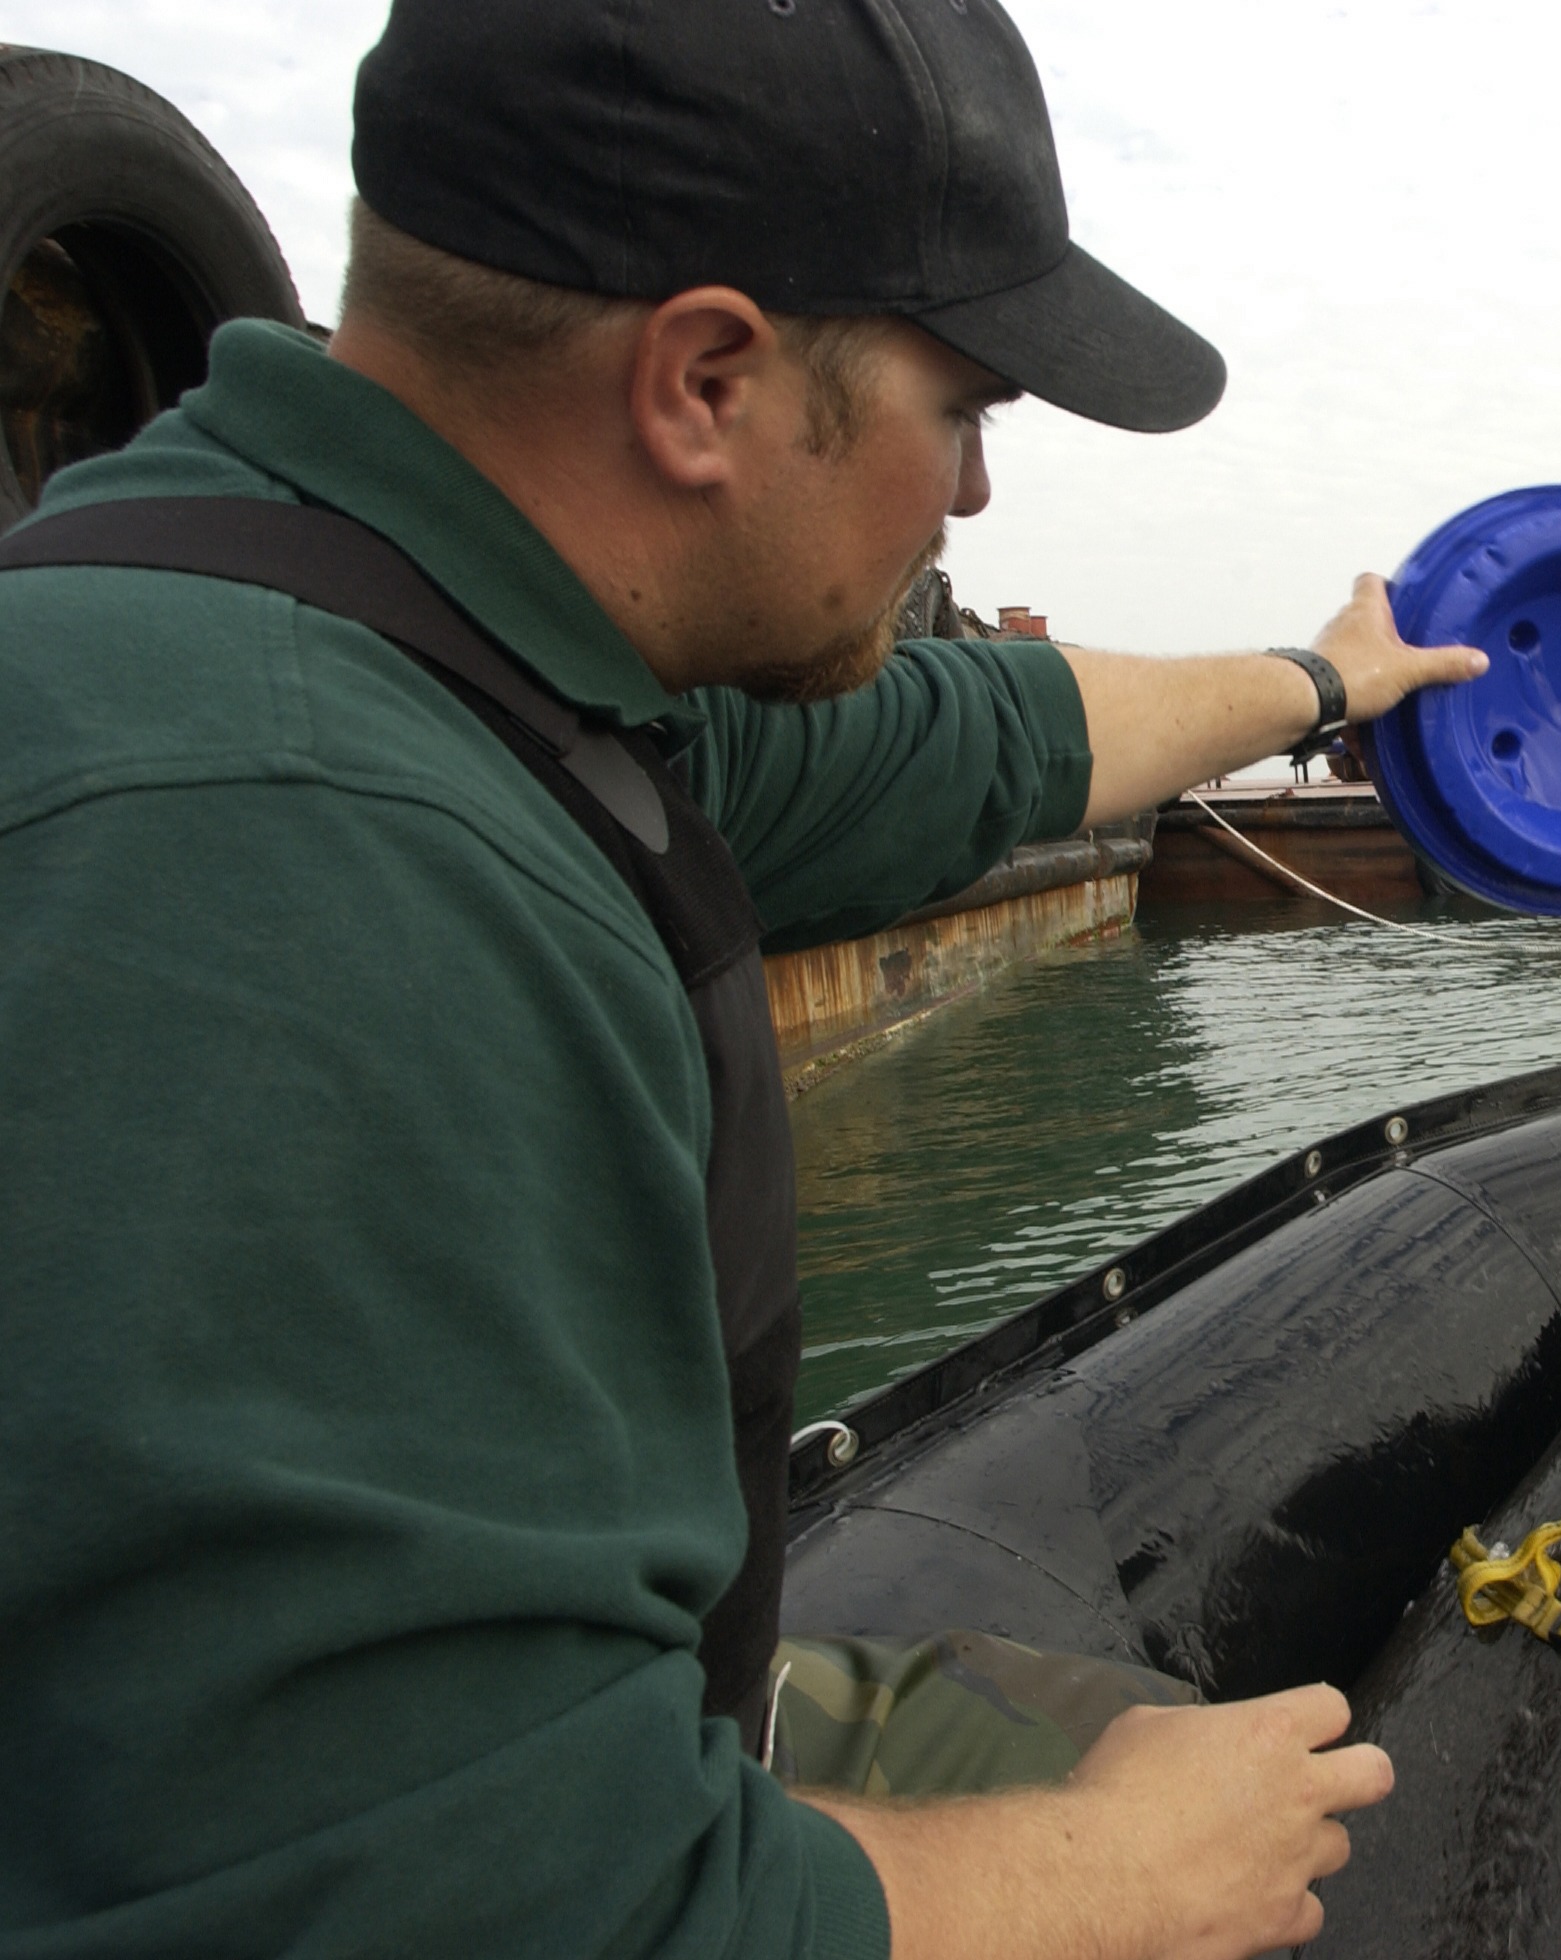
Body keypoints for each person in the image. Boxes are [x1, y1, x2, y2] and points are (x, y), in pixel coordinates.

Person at [0, 4, 1485, 1957]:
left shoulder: (397, 638)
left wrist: (1317, 683)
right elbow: (463, 1915)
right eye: (959, 411)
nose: (967, 503)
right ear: (705, 379)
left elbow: (973, 742)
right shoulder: (296, 869)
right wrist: (1126, 1872)